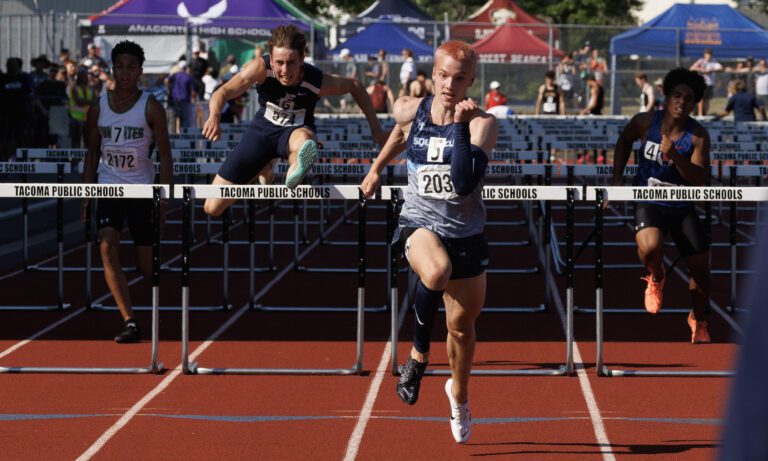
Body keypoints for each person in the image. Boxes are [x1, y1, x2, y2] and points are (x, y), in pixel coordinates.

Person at [360, 40, 498, 444]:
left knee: (461, 330)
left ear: (471, 80)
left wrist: (457, 123)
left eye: (459, 78)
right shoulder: (412, 107)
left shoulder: (482, 124)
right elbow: (401, 133)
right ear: (432, 74)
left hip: (465, 235)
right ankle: (418, 357)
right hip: (419, 222)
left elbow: (461, 180)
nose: (449, 84)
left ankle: (459, 394)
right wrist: (375, 168)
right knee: (435, 270)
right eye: (443, 75)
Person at [202, 25, 388, 217]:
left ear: (302, 60)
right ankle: (266, 166)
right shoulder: (259, 68)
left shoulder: (316, 80)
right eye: (279, 63)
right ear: (271, 61)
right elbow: (223, 91)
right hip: (261, 132)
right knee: (212, 207)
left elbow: (355, 86)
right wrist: (214, 115)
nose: (284, 70)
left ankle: (295, 170)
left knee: (305, 142)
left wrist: (376, 128)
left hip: (296, 130)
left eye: (291, 63)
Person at [610, 67, 711, 343]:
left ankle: (698, 319)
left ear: (695, 103)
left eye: (688, 97)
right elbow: (624, 141)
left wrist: (676, 157)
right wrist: (617, 180)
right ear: (666, 96)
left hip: (682, 206)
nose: (682, 101)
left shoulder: (699, 135)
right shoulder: (645, 122)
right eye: (677, 95)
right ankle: (656, 276)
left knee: (702, 270)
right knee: (651, 247)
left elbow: (701, 179)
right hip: (648, 200)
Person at [81, 40, 172, 343]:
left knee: (145, 267)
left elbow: (165, 157)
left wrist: (163, 200)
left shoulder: (152, 108)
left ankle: (159, 298)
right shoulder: (99, 106)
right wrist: (86, 192)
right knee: (106, 246)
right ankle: (130, 321)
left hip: (142, 190)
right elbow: (92, 153)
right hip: (109, 185)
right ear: (113, 69)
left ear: (140, 71)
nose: (124, 72)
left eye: (131, 67)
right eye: (119, 66)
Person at [690, 48, 723, 115]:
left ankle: (705, 113)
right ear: (705, 55)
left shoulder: (714, 62)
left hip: (710, 83)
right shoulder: (701, 61)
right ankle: (700, 113)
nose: (709, 56)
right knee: (701, 98)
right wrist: (701, 70)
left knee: (707, 99)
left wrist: (712, 70)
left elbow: (721, 68)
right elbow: (691, 68)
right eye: (707, 55)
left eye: (710, 55)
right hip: (702, 83)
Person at [166, 63, 196, 132]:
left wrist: (170, 89)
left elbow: (166, 80)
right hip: (185, 100)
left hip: (175, 100)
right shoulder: (188, 77)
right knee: (185, 118)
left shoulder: (175, 75)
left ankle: (174, 135)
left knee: (174, 118)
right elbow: (193, 92)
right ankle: (183, 135)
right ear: (186, 68)